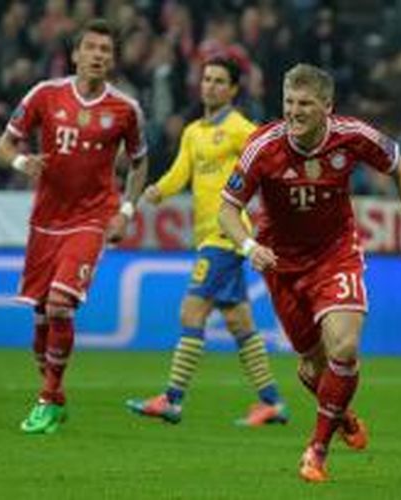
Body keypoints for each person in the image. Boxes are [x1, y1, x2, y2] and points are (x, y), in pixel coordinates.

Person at [219, 63, 401, 482]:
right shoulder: (262, 147)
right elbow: (228, 209)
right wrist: (249, 246)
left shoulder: (352, 136)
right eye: (288, 102)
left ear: (327, 107)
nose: (294, 112)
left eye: (305, 104)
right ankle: (342, 415)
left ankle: (316, 451)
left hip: (336, 254)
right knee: (312, 368)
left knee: (345, 347)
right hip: (281, 264)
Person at [0, 18, 148, 434]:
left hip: (92, 218)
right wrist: (22, 161)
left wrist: (126, 211)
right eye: (92, 48)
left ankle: (46, 400)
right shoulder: (45, 95)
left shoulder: (125, 109)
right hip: (46, 222)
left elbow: (139, 162)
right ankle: (55, 394)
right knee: (42, 326)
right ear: (75, 54)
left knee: (62, 304)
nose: (99, 55)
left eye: (106, 50)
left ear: (112, 60)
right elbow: (5, 144)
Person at [125, 58, 288, 426]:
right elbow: (181, 172)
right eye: (207, 79)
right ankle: (272, 402)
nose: (210, 86)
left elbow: (270, 161)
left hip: (226, 236)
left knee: (191, 312)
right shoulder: (193, 132)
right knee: (238, 321)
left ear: (233, 90)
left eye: (219, 81)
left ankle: (172, 399)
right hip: (207, 238)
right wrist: (156, 192)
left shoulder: (239, 129)